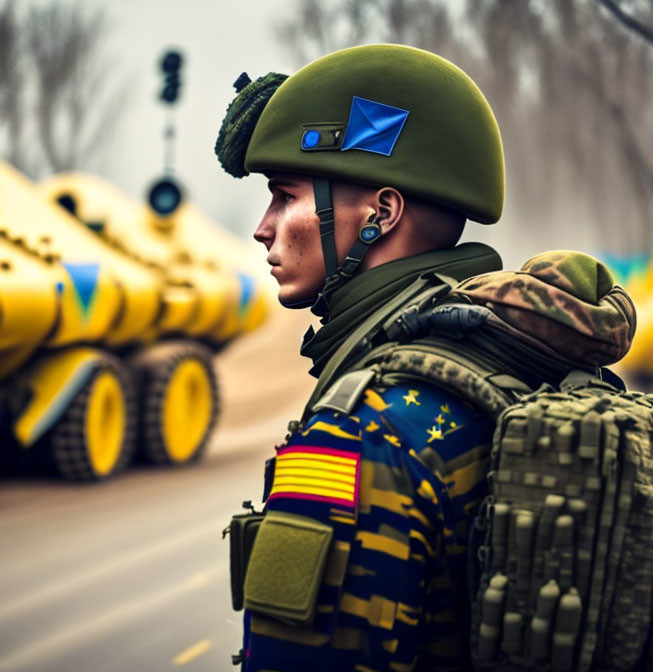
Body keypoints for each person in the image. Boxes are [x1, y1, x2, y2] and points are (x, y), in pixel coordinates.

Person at [216, 44, 507, 671]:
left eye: (284, 196)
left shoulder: (357, 435)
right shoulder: (505, 360)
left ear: (380, 214)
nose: (263, 227)